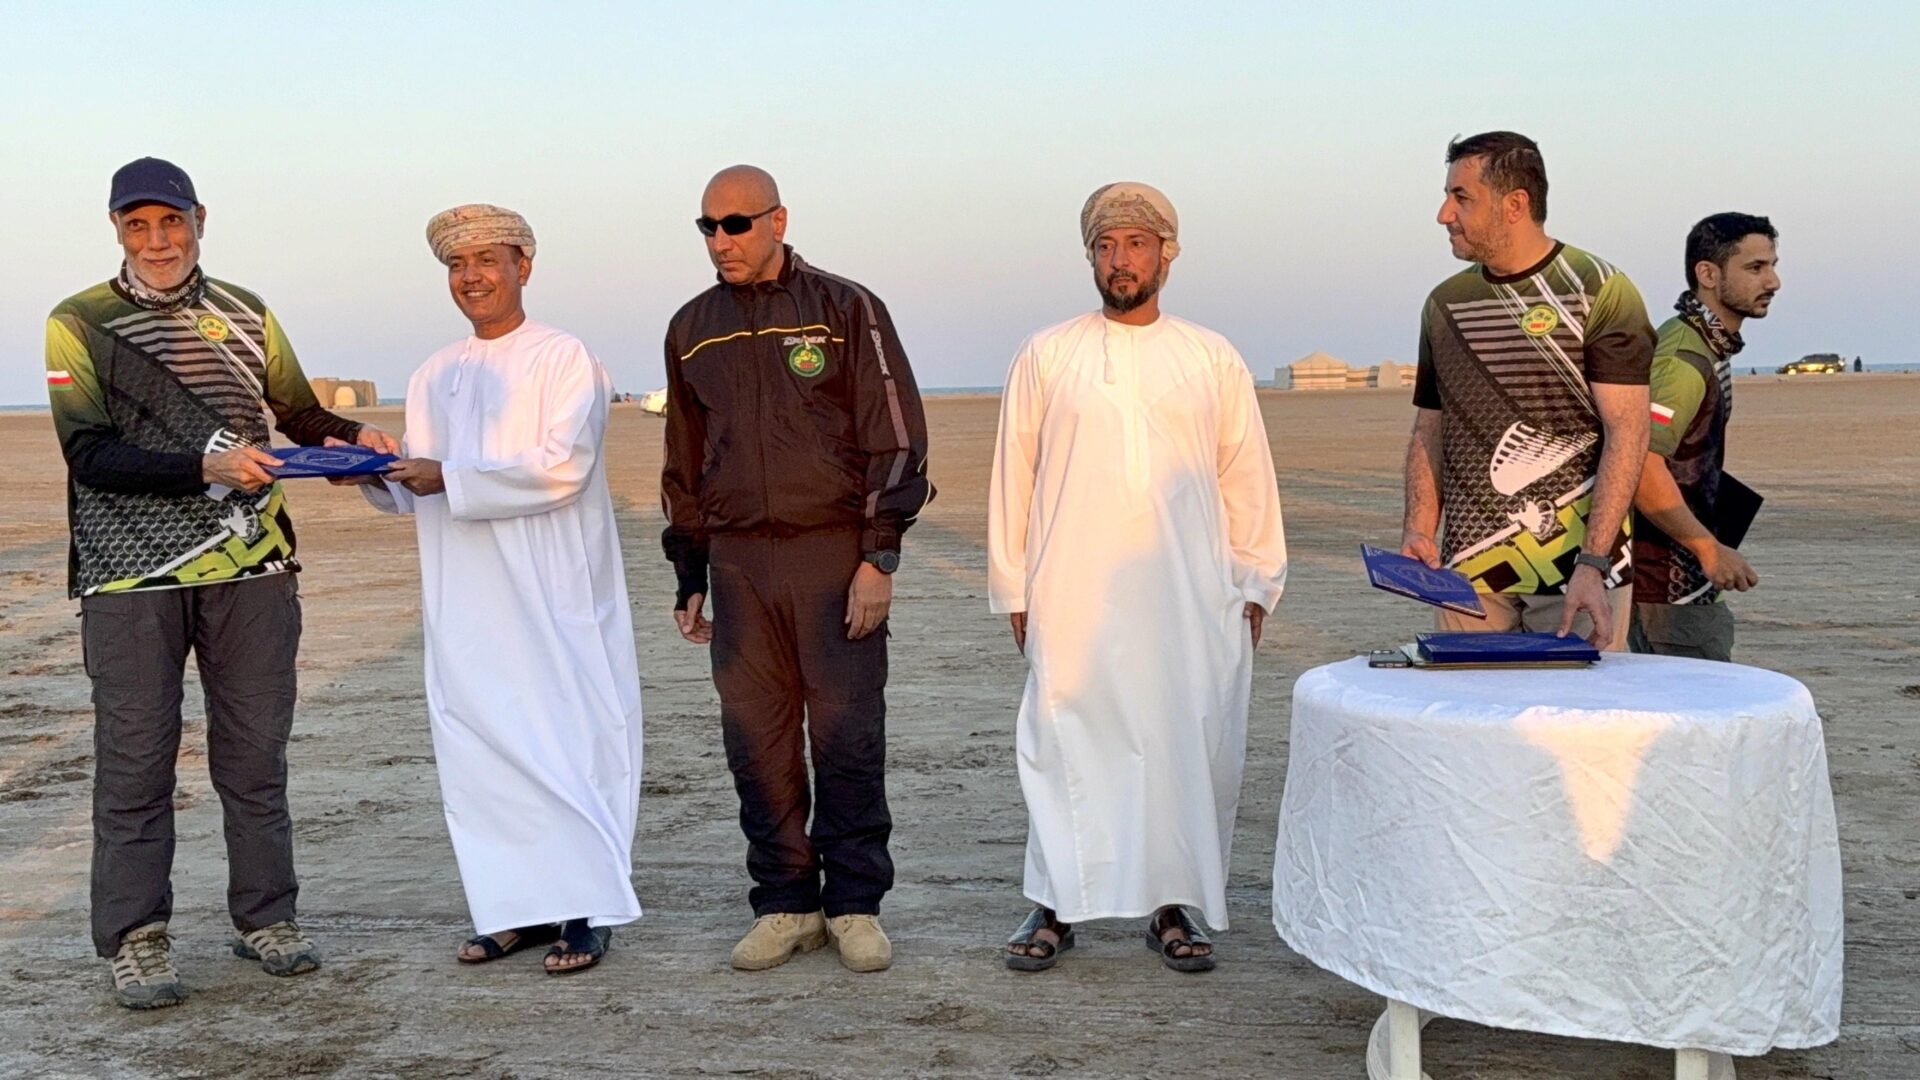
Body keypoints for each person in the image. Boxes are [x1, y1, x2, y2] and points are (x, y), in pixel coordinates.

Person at [45, 157, 398, 1008]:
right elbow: (89, 454)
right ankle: (136, 936)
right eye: (138, 225)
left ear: (199, 219)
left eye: (171, 221)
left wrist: (355, 437)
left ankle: (267, 917)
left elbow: (296, 412)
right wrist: (203, 468)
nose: (157, 241)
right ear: (117, 230)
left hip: (254, 565)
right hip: (131, 577)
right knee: (136, 763)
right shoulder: (77, 321)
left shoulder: (247, 312)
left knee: (255, 755)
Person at [987, 183, 1288, 973]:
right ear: (1090, 256)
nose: (1120, 260)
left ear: (1167, 255)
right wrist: (1014, 587)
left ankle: (1172, 905)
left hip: (1189, 589)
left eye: (1136, 244)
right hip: (1070, 584)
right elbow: (1014, 475)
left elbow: (1245, 474)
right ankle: (1056, 904)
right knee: (1064, 738)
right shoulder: (1047, 353)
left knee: (1180, 737)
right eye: (1105, 245)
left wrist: (1256, 580)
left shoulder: (1210, 356)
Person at [345, 205, 644, 974]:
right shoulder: (433, 373)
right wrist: (373, 472)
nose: (471, 277)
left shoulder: (564, 357)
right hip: (465, 597)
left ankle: (586, 911)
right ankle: (515, 910)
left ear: (523, 267)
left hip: (552, 592)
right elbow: (418, 488)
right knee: (481, 749)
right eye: (457, 264)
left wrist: (446, 476)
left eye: (486, 260)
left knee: (568, 741)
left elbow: (563, 467)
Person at [660, 165, 932, 973]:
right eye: (707, 227)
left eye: (735, 224)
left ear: (777, 221)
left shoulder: (845, 309)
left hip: (831, 556)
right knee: (758, 740)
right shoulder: (692, 328)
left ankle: (853, 907)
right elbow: (684, 459)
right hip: (740, 564)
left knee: (847, 735)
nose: (721, 240)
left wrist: (878, 556)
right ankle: (786, 905)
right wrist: (690, 570)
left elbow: (895, 437)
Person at [1401, 132, 1655, 648]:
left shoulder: (1597, 289)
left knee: (1576, 703)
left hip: (1579, 570)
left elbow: (1628, 432)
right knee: (1465, 701)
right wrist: (1419, 529)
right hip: (1468, 571)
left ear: (1515, 204)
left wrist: (1593, 562)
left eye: (1462, 197)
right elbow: (1431, 429)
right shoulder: (1445, 304)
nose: (1444, 214)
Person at [1629, 214, 1779, 661]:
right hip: (1665, 588)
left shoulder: (1702, 344)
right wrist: (1706, 548)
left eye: (1772, 266)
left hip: (1680, 583)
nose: (1773, 281)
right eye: (1755, 268)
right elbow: (1640, 463)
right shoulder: (1683, 360)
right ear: (1708, 274)